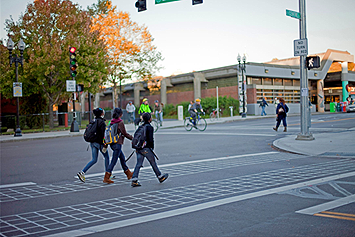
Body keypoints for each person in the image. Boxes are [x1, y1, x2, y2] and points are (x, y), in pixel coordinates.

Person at [131, 113, 168, 187]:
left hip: (139, 148)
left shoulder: (141, 126)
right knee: (153, 162)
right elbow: (150, 140)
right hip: (146, 148)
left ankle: (134, 180)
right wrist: (151, 148)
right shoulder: (149, 127)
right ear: (149, 119)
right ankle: (160, 176)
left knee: (138, 164)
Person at [77, 108, 109, 183]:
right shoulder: (101, 122)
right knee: (106, 157)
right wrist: (105, 145)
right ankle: (107, 174)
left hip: (92, 142)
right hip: (99, 143)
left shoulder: (93, 121)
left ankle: (82, 172)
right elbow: (103, 135)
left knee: (94, 160)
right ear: (101, 114)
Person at [104, 108, 133, 184]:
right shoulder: (120, 122)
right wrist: (133, 138)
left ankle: (128, 174)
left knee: (122, 158)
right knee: (114, 161)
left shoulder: (111, 121)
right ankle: (106, 177)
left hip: (112, 143)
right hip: (118, 144)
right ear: (120, 114)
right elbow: (124, 133)